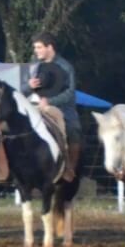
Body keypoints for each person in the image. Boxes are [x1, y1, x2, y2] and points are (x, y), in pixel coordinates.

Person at [23, 33, 81, 182]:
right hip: (34, 106)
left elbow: (70, 93)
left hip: (62, 108)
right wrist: (28, 86)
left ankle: (69, 167)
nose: (36, 51)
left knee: (73, 130)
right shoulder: (33, 66)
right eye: (35, 47)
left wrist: (50, 101)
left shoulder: (66, 67)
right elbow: (22, 89)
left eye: (39, 47)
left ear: (49, 47)